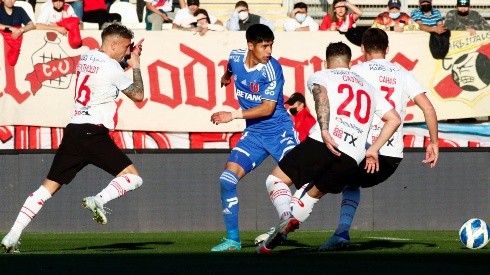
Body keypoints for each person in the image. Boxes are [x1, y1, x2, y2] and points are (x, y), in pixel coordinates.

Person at [1, 23, 145, 253]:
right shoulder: (112, 68)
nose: (127, 52)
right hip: (93, 133)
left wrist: (126, 60)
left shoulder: (88, 57)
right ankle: (99, 199)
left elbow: (109, 69)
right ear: (114, 44)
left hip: (73, 132)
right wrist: (136, 65)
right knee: (133, 178)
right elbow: (138, 95)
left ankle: (12, 235)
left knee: (45, 189)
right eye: (126, 47)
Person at [256, 40, 401, 254]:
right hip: (354, 156)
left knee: (275, 180)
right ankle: (270, 244)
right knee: (312, 195)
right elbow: (394, 119)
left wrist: (324, 129)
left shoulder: (322, 75)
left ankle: (286, 218)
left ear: (326, 62)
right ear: (350, 63)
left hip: (326, 141)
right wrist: (374, 149)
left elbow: (321, 95)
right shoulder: (368, 87)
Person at [317, 28, 439, 252]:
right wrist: (433, 143)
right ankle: (341, 233)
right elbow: (428, 108)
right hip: (390, 159)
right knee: (351, 183)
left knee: (317, 178)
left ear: (362, 49)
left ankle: (287, 220)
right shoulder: (403, 74)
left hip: (361, 150)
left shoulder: (356, 71)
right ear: (388, 50)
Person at [209, 24, 299, 252]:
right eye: (264, 46)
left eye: (271, 46)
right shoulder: (236, 56)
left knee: (304, 179)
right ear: (250, 45)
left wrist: (233, 115)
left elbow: (267, 109)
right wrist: (226, 76)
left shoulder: (272, 69)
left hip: (280, 132)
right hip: (255, 134)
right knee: (226, 180)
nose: (269, 51)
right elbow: (231, 66)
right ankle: (232, 240)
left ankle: (285, 221)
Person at [0, 0, 36, 66]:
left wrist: (21, 30)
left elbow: (31, 25)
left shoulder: (19, 10)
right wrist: (10, 28)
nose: (11, 1)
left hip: (18, 42)